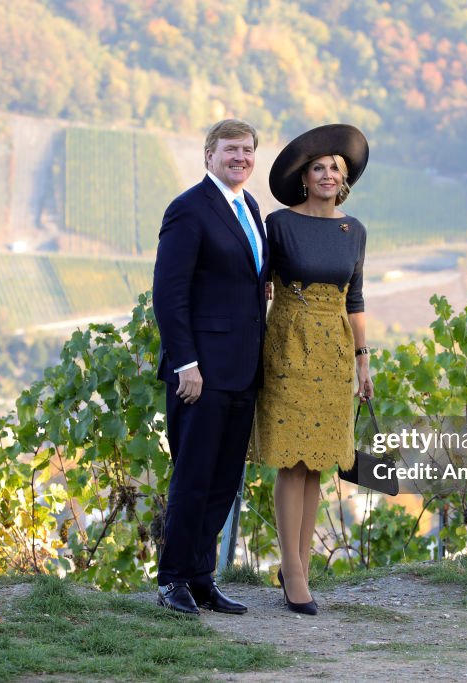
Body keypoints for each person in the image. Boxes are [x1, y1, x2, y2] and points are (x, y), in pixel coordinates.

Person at [152, 119, 268, 615]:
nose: (240, 157)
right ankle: (172, 579)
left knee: (223, 480)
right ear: (208, 155)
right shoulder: (187, 210)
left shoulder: (251, 208)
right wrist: (187, 364)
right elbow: (168, 293)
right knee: (194, 477)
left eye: (247, 150)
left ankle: (201, 577)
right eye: (230, 150)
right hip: (200, 374)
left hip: (243, 370)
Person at [257, 124, 372, 616]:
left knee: (318, 460)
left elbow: (357, 298)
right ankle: (295, 575)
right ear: (304, 178)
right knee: (291, 459)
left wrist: (364, 362)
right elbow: (257, 283)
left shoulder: (356, 230)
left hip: (336, 352)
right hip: (289, 344)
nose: (328, 175)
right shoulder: (278, 223)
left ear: (344, 181)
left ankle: (296, 566)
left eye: (336, 169)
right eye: (319, 168)